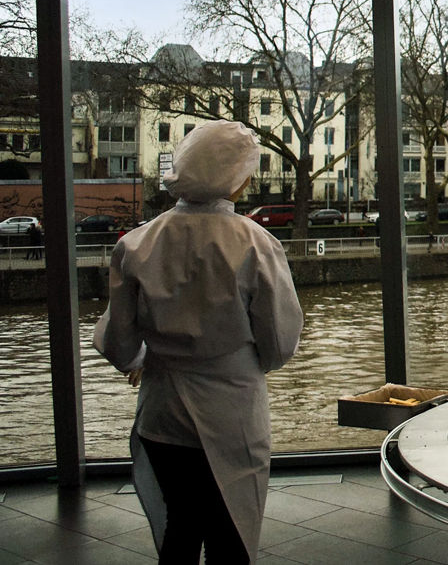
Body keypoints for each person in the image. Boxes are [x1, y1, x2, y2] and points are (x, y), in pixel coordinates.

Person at [93, 120, 303, 564]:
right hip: (233, 415)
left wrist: (145, 357)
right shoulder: (256, 244)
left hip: (162, 412)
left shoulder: (136, 243)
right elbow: (281, 341)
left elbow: (117, 341)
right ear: (239, 179)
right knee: (231, 534)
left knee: (182, 525)